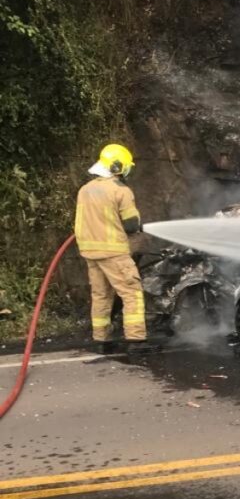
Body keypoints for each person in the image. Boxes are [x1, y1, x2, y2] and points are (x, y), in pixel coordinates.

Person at [74, 143, 150, 354]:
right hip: (113, 252)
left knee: (101, 295)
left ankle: (102, 340)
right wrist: (137, 224)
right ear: (117, 166)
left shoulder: (85, 190)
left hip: (90, 251)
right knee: (131, 292)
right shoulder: (120, 190)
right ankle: (136, 341)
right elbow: (131, 225)